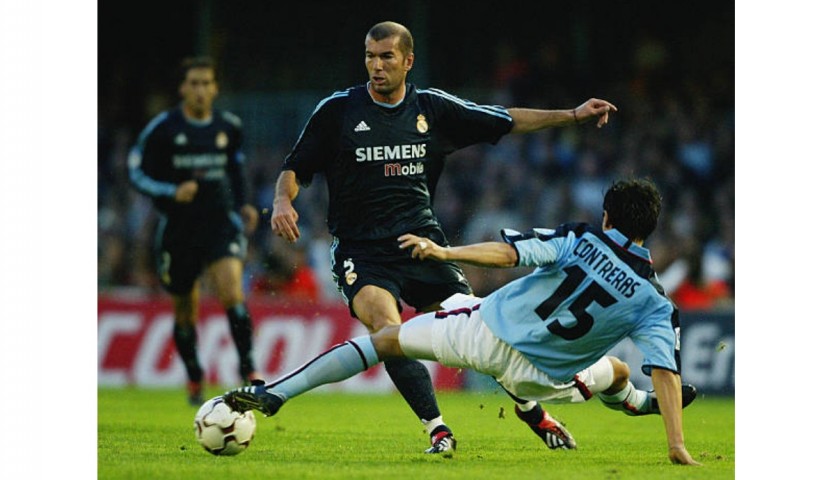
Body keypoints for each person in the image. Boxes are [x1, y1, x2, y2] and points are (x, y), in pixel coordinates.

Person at [269, 20, 618, 455]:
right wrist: (284, 201)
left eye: (386, 57)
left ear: (408, 61)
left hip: (423, 244)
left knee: (479, 332)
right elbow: (295, 167)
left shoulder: (432, 109)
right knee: (385, 327)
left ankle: (534, 413)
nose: (376, 67)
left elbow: (506, 120)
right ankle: (437, 428)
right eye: (370, 57)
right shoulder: (338, 110)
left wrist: (570, 115)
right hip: (362, 250)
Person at [225, 178, 700, 465]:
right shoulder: (655, 301)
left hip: (481, 334)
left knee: (382, 341)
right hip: (540, 378)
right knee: (617, 373)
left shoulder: (580, 239)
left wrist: (445, 250)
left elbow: (509, 254)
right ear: (649, 228)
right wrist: (676, 444)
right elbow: (665, 369)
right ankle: (639, 407)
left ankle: (275, 394)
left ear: (606, 216)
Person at [127, 56, 261, 405]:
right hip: (179, 229)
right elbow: (137, 171)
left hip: (219, 224)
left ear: (215, 88)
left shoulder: (228, 126)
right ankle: (194, 376)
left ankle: (249, 370)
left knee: (232, 291)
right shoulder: (164, 128)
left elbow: (237, 169)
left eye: (207, 83)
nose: (201, 90)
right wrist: (172, 191)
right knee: (186, 309)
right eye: (194, 83)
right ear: (183, 88)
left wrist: (245, 203)